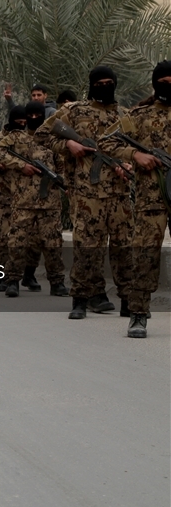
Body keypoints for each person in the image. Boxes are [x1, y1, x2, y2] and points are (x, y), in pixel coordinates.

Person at [35, 65, 132, 320]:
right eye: (99, 82)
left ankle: (128, 300)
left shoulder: (125, 115)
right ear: (91, 85)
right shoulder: (73, 111)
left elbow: (137, 149)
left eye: (109, 82)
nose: (105, 86)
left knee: (124, 248)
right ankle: (81, 298)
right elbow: (42, 135)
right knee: (87, 248)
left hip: (120, 194)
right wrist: (69, 144)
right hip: (86, 194)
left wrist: (129, 164)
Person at [98, 60, 171, 338]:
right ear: (155, 84)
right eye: (163, 81)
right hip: (151, 200)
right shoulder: (140, 116)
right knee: (144, 257)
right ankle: (138, 315)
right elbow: (106, 141)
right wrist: (136, 155)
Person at [0, 101, 68, 298]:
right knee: (17, 242)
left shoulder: (51, 139)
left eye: (38, 115)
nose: (34, 119)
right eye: (31, 115)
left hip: (50, 202)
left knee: (53, 244)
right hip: (23, 202)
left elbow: (61, 167)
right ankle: (12, 280)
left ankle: (57, 282)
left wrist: (64, 183)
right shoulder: (16, 137)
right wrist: (20, 165)